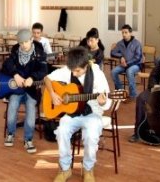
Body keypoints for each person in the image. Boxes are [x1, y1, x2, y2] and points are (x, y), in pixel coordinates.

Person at [45, 46, 111, 182]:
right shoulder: (70, 69)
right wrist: (52, 94)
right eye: (72, 71)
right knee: (62, 130)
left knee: (91, 136)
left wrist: (102, 102)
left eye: (78, 71)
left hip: (92, 114)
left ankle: (88, 169)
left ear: (86, 66)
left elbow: (108, 102)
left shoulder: (98, 75)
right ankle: (65, 169)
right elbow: (47, 78)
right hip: (73, 113)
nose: (74, 74)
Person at [2, 29, 48, 154]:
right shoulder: (15, 51)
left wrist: (32, 78)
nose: (24, 45)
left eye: (26, 42)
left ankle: (28, 139)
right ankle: (10, 133)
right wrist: (15, 74)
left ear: (32, 39)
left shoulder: (40, 53)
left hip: (31, 91)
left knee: (31, 114)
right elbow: (6, 64)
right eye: (21, 43)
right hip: (16, 90)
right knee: (12, 107)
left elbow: (44, 70)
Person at [110, 24, 143, 100]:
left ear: (130, 33)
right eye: (122, 33)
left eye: (126, 32)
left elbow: (138, 58)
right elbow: (113, 53)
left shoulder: (137, 43)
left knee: (129, 71)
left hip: (136, 65)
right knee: (113, 72)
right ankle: (122, 92)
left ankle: (133, 95)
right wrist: (121, 56)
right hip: (123, 64)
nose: (124, 34)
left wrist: (127, 64)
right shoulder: (120, 43)